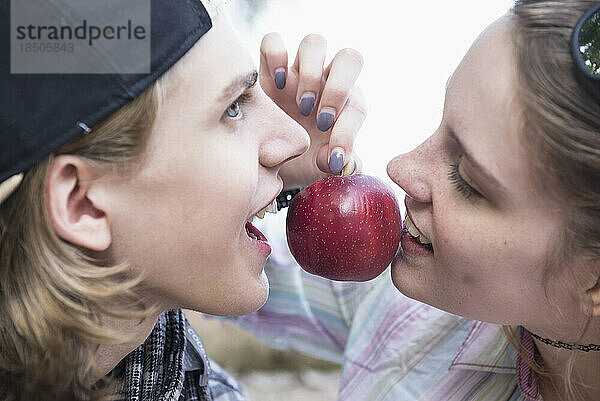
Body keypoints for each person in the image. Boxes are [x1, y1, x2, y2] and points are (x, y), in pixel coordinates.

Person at [231, 0, 600, 400]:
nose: (399, 169)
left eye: (468, 182)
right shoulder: (405, 308)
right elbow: (200, 267)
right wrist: (258, 157)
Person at [0, 0, 366, 399]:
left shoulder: (186, 380)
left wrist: (280, 184)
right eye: (233, 108)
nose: (297, 138)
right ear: (82, 203)